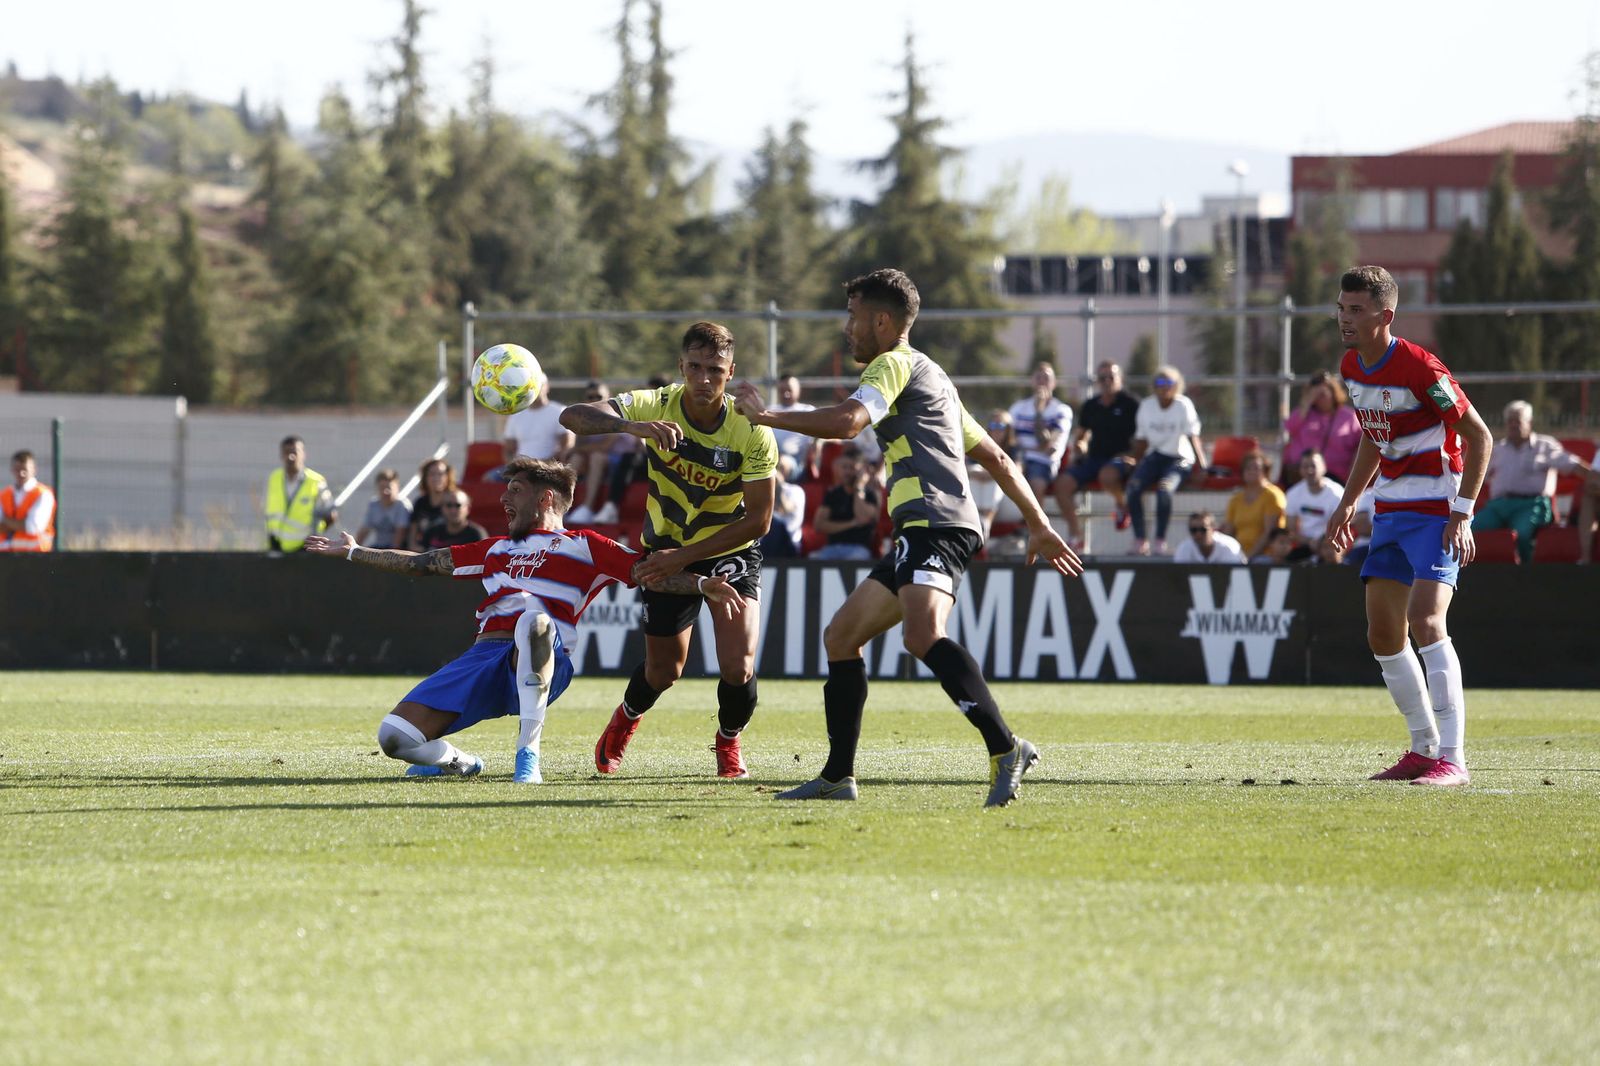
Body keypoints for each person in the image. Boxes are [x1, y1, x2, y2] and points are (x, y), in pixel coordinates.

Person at [733, 267, 1083, 807]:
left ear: (882, 320)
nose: (846, 328)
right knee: (841, 637)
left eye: (853, 317)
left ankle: (1006, 747)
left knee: (922, 635)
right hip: (924, 528)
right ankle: (837, 776)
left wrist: (767, 417)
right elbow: (997, 457)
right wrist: (1038, 523)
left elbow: (850, 423)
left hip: (935, 523)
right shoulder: (933, 376)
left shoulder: (892, 365)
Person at [302, 458, 745, 785]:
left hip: (544, 655)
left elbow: (647, 573)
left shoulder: (584, 544)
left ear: (545, 498)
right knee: (394, 737)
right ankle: (461, 762)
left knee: (534, 622)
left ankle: (527, 758)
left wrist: (702, 585)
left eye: (515, 489)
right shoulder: (493, 547)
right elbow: (422, 563)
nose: (503, 498)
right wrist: (356, 552)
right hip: (484, 656)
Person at [560, 321, 778, 780]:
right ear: (680, 367)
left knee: (738, 665)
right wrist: (630, 425)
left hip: (729, 548)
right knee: (664, 671)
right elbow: (572, 417)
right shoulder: (655, 404)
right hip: (665, 545)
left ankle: (728, 741)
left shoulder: (751, 429)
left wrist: (683, 559)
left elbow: (758, 520)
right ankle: (626, 719)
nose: (703, 379)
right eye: (694, 367)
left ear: (730, 372)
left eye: (714, 370)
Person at [1327, 265, 1493, 789]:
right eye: (1341, 307)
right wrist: (1349, 502)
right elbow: (1375, 439)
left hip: (1436, 512)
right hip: (1391, 512)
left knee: (1426, 620)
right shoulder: (1351, 367)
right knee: (1382, 632)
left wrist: (1462, 512)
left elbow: (1480, 437)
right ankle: (1422, 748)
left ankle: (1454, 758)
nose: (1345, 318)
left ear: (1385, 315)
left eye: (1356, 309)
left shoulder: (1421, 367)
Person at [1472, 400, 1593, 564]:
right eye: (1510, 421)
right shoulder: (1497, 449)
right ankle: (1472, 576)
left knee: (1522, 532)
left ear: (1529, 423)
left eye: (1518, 421)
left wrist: (1595, 478)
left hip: (1532, 504)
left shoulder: (1545, 446)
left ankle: (1527, 576)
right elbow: (1477, 475)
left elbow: (1574, 466)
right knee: (1469, 528)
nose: (1513, 425)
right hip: (1498, 505)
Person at [1054, 359, 1140, 548]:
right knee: (1061, 486)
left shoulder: (1131, 404)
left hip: (1120, 459)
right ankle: (1076, 536)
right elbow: (1081, 435)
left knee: (1107, 476)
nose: (1107, 381)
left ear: (1120, 379)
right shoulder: (1091, 405)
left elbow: (1142, 437)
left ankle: (1122, 504)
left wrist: (1134, 457)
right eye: (1102, 377)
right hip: (1093, 459)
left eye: (1111, 376)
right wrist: (1080, 446)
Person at [1124, 366, 1207, 556]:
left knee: (1164, 490)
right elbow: (1142, 439)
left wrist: (1201, 464)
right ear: (1154, 386)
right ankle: (1140, 539)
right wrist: (1134, 460)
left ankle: (1160, 540)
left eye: (1169, 383)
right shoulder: (1147, 406)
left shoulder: (1183, 405)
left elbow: (1193, 436)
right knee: (1134, 487)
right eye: (1160, 383)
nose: (1165, 387)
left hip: (1179, 458)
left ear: (1177, 385)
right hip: (1155, 456)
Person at [1282, 369, 1362, 486]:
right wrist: (1306, 402)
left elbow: (1361, 443)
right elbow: (1290, 428)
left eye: (1324, 393)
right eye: (1317, 394)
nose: (1321, 397)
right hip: (1302, 476)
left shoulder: (1348, 416)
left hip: (1336, 477)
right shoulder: (1304, 413)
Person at [1007, 362, 1073, 504]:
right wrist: (1030, 449)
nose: (1042, 382)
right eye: (1038, 378)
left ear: (1054, 383)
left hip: (1043, 463)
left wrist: (1038, 411)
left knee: (1036, 486)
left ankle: (1035, 525)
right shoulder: (1018, 408)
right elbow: (1009, 440)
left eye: (1046, 378)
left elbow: (1048, 447)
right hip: (1018, 458)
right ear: (1032, 381)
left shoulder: (1061, 410)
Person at [566, 381, 627, 525]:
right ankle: (563, 506)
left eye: (598, 396)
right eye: (590, 397)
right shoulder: (583, 418)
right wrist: (576, 451)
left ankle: (588, 506)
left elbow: (605, 446)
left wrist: (577, 450)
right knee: (576, 459)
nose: (594, 400)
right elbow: (579, 446)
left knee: (596, 457)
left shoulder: (616, 415)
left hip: (620, 461)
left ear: (608, 397)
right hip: (597, 459)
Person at [264, 436, 337, 554]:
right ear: (281, 455)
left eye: (294, 452)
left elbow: (331, 515)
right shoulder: (274, 478)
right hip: (278, 546)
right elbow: (270, 512)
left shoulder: (315, 481)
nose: (290, 457)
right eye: (286, 452)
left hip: (305, 549)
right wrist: (273, 537)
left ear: (303, 454)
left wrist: (314, 538)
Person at [810, 443, 882, 561]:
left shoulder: (871, 494)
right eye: (844, 467)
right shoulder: (833, 493)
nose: (847, 472)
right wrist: (851, 524)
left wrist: (859, 488)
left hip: (859, 548)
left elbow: (863, 518)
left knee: (857, 558)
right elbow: (819, 525)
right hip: (832, 547)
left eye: (852, 468)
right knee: (813, 559)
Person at [1283, 449, 1346, 563]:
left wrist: (1323, 543)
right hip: (1305, 545)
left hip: (1330, 545)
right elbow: (1291, 530)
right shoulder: (1293, 493)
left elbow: (1341, 528)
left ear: (1324, 467)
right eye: (1305, 466)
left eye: (1313, 466)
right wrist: (1310, 542)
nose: (1309, 470)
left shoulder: (1337, 494)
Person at [1224, 450, 1287, 560]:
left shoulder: (1272, 495)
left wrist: (1248, 558)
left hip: (1265, 555)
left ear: (1265, 471)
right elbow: (1229, 532)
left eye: (1256, 468)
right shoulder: (1236, 499)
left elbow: (1269, 533)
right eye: (1248, 468)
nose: (1251, 471)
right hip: (1238, 555)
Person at [501, 377, 574, 466]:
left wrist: (543, 465)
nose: (534, 389)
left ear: (547, 387)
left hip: (547, 469)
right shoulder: (516, 414)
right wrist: (512, 466)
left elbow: (567, 446)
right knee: (489, 477)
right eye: (530, 386)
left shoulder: (559, 411)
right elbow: (508, 449)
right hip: (520, 468)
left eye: (538, 385)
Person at [969, 409, 1014, 539]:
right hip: (979, 498)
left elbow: (1016, 470)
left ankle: (984, 524)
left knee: (995, 480)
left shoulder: (1014, 449)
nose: (996, 430)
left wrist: (991, 474)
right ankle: (979, 525)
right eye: (993, 426)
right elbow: (966, 468)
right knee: (974, 477)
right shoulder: (979, 446)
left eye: (1000, 426)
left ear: (1008, 430)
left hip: (1007, 500)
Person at [0, 450, 56, 553]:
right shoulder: (4, 495)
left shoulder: (43, 494)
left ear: (34, 470)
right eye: (17, 469)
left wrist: (5, 520)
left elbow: (32, 527)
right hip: (7, 556)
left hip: (36, 556)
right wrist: (20, 523)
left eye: (24, 469)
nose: (21, 473)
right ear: (12, 470)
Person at [768, 374, 819, 482]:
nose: (786, 394)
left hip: (796, 463)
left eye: (789, 390)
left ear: (798, 390)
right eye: (782, 390)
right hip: (770, 458)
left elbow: (824, 433)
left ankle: (779, 495)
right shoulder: (769, 411)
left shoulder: (808, 411)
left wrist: (816, 445)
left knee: (783, 463)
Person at [760, 454, 807, 558]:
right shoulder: (759, 489)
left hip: (788, 542)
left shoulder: (795, 491)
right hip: (763, 541)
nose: (776, 471)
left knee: (776, 523)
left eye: (780, 468)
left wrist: (779, 487)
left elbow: (790, 521)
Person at [406, 458, 457, 551]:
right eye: (432, 474)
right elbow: (412, 533)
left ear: (447, 476)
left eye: (441, 474)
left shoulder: (454, 501)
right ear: (425, 478)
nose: (436, 478)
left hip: (447, 552)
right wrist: (414, 548)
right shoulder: (420, 502)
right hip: (423, 552)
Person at [354, 469, 412, 550]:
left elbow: (400, 533)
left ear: (397, 488)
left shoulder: (402, 505)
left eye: (389, 488)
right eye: (382, 487)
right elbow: (364, 531)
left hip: (399, 550)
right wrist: (353, 550)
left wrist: (389, 557)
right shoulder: (373, 504)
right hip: (380, 547)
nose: (385, 491)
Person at [418, 489, 489, 550]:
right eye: (449, 505)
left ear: (468, 508)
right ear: (442, 508)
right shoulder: (432, 532)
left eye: (458, 505)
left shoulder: (477, 534)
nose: (453, 510)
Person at [1171, 511, 1246, 564]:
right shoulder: (1184, 548)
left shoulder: (1228, 547)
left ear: (1213, 529)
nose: (1198, 534)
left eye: (1203, 529)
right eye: (1193, 530)